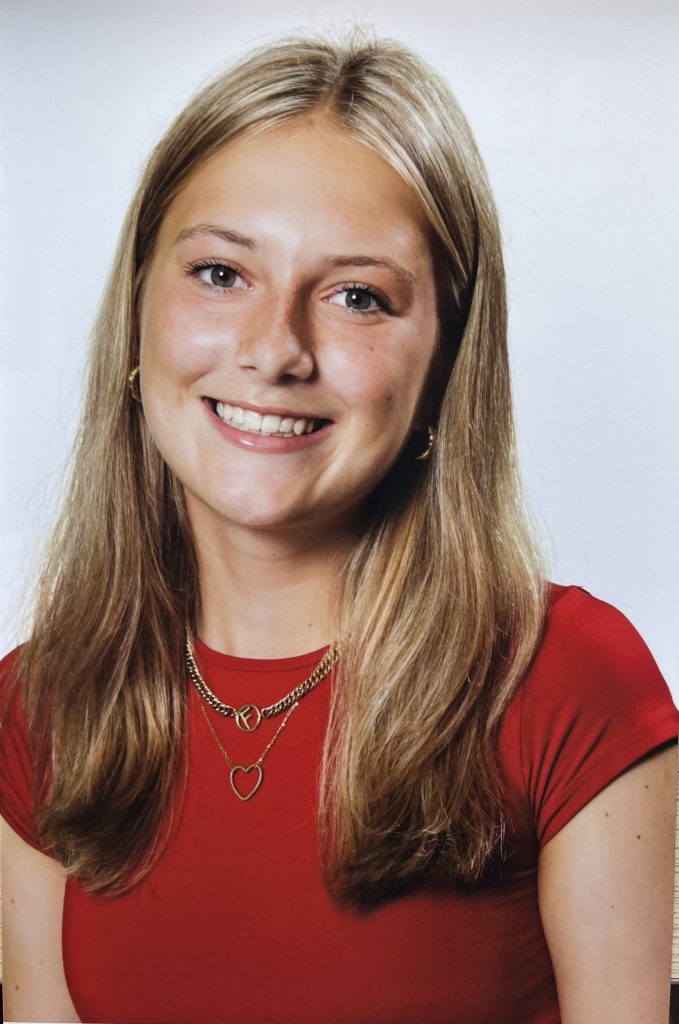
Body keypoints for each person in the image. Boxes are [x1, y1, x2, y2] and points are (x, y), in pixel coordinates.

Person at [0, 31, 676, 1024]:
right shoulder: (40, 704)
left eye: (358, 296)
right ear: (138, 310)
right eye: (220, 273)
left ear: (443, 365)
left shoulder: (564, 679)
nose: (274, 349)